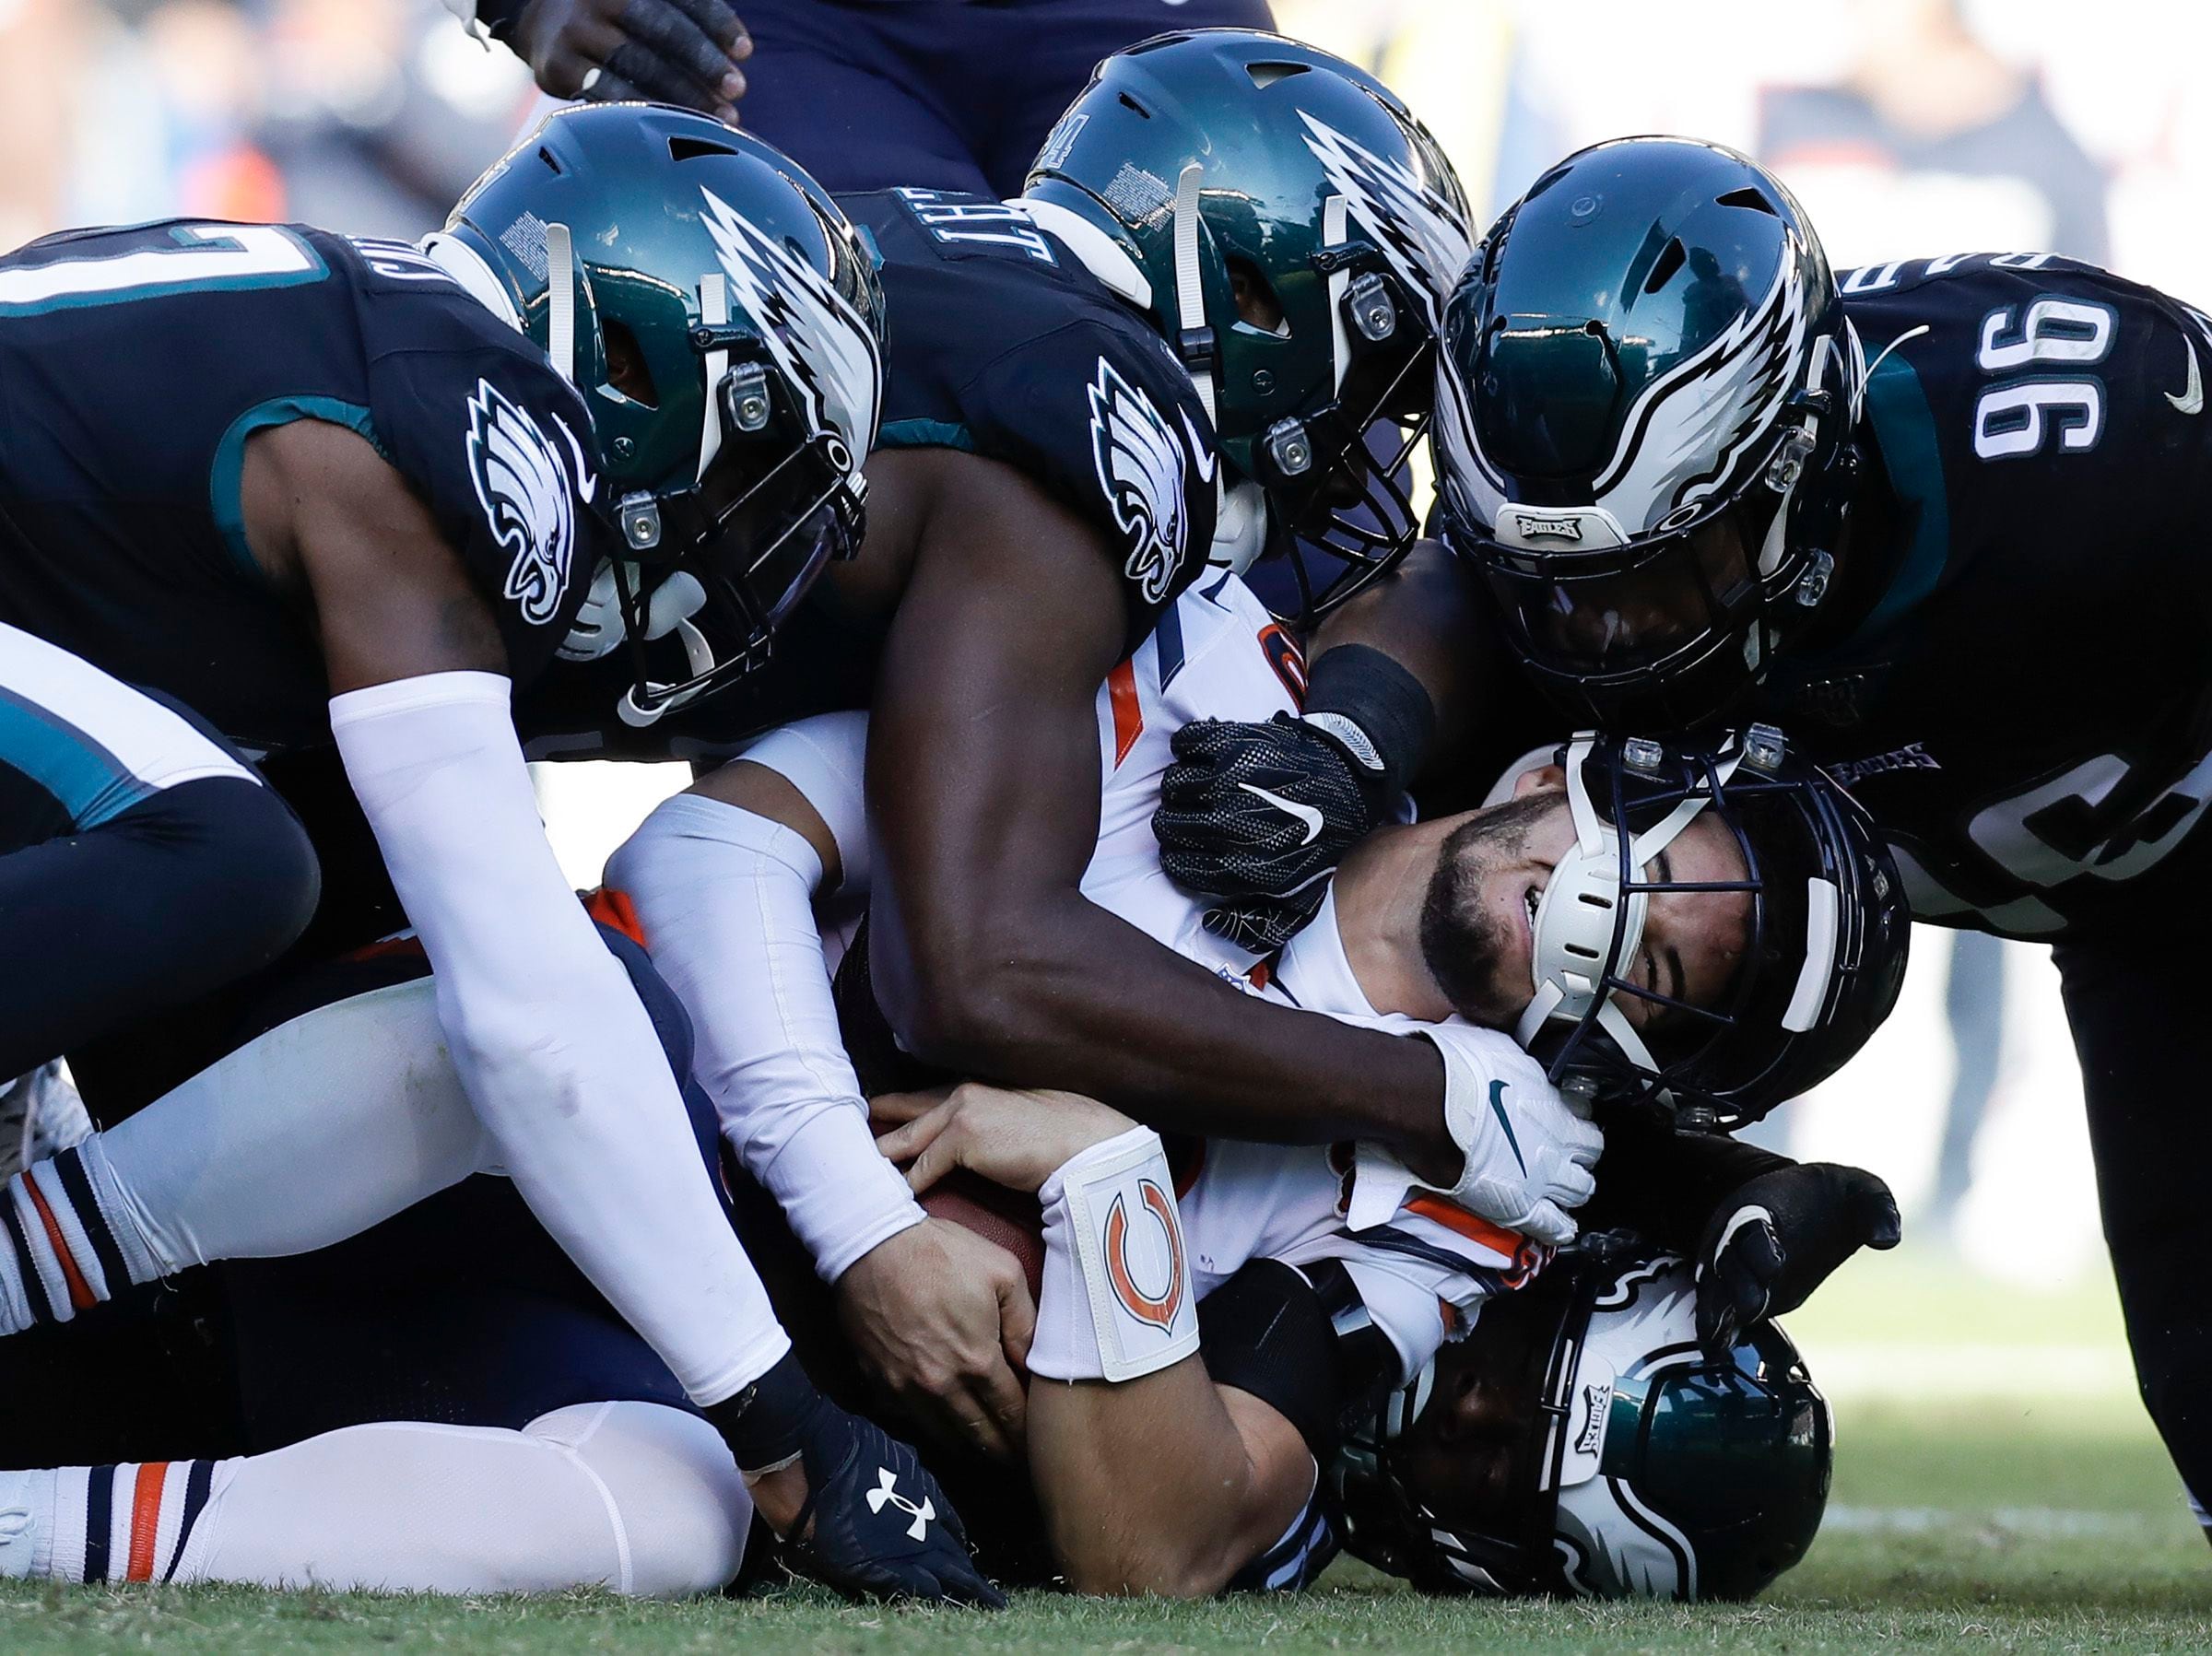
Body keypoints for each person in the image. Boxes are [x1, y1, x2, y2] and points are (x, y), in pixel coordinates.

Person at [0, 101, 995, 1603]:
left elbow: (517, 1015)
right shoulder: (458, 413)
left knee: (335, 909)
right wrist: (787, 1420)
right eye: (759, 470)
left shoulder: (368, 344)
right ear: (649, 366)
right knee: (234, 857)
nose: (747, 545)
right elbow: (530, 1016)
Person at [1171, 133, 2212, 1539]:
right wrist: (1346, 740)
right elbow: (1458, 595)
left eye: (1650, 581)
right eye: (1558, 588)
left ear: (1793, 470)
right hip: (2115, 925)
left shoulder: (2106, 452)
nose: (1595, 642)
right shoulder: (1558, 609)